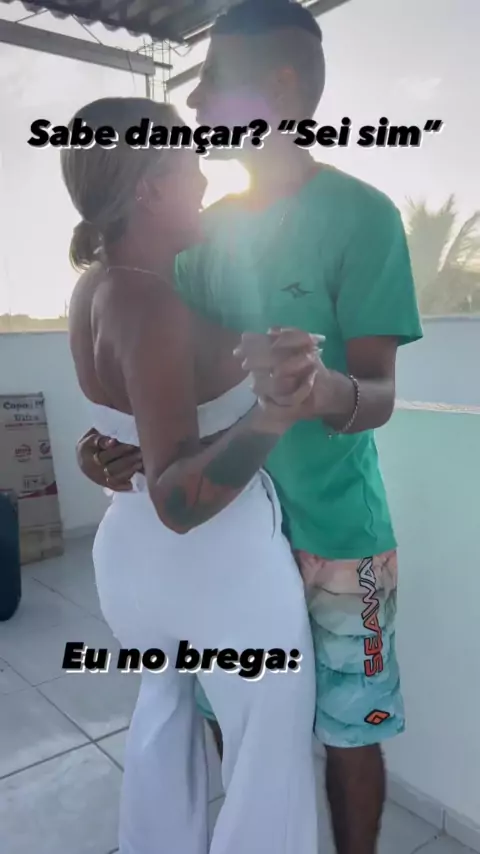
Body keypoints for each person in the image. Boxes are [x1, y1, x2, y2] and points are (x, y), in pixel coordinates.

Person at [77, 2, 424, 853]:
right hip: (225, 545)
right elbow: (166, 376)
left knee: (351, 732)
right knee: (234, 723)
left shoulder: (364, 216)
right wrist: (118, 442)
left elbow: (381, 393)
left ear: (282, 89)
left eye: (214, 82)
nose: (195, 104)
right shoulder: (200, 231)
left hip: (339, 536)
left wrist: (324, 390)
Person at [64, 96, 320, 854]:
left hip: (132, 566)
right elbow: (179, 500)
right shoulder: (150, 302)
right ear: (149, 188)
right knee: (268, 752)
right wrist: (274, 412)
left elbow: (130, 426)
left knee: (163, 714)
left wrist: (95, 450)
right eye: (190, 162)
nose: (205, 180)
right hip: (213, 567)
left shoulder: (95, 287)